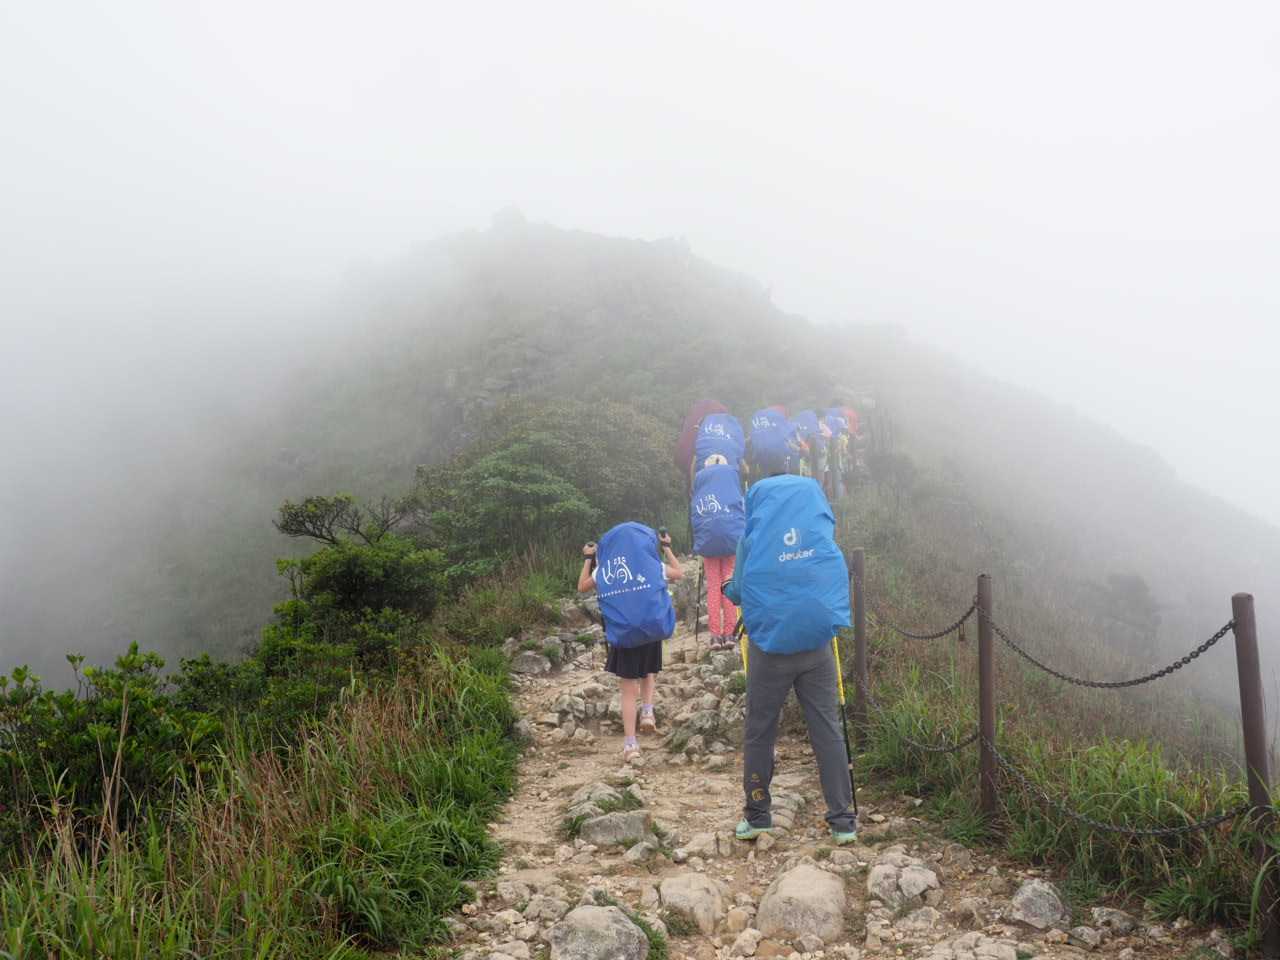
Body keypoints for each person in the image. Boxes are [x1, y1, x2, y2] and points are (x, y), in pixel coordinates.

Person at [724, 473, 858, 844]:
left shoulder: (752, 539)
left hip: (769, 649)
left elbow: (739, 590)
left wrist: (727, 589)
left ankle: (758, 816)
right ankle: (843, 821)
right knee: (827, 729)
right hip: (817, 645)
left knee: (760, 730)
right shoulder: (817, 530)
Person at [579, 525, 684, 763]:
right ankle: (647, 712)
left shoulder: (605, 568)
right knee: (648, 671)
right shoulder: (652, 564)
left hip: (623, 633)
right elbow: (679, 573)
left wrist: (588, 559)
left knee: (627, 690)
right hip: (649, 628)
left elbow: (582, 586)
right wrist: (666, 547)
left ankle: (630, 744)